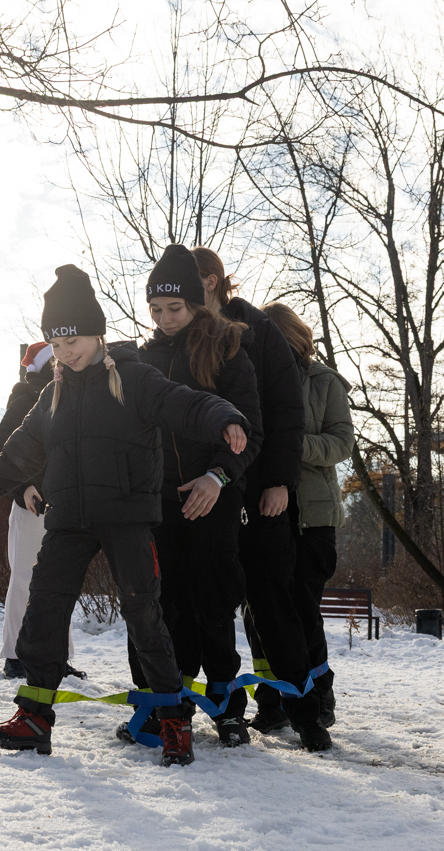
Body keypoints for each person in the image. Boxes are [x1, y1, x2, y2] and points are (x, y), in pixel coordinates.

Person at [0, 264, 249, 766]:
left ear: (97, 333)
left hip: (127, 518)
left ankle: (173, 721)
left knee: (144, 614)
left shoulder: (133, 378)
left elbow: (182, 404)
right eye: (56, 340)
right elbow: (19, 453)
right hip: (68, 519)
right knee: (44, 611)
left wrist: (224, 417)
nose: (66, 350)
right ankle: (33, 718)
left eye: (74, 338)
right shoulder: (52, 396)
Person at [190, 246, 330, 751]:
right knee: (211, 600)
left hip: (262, 491)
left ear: (210, 281)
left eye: (191, 281)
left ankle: (307, 712)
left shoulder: (255, 329)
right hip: (209, 494)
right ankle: (223, 710)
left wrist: (281, 483)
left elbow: (286, 411)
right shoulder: (182, 332)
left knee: (274, 600)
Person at [128, 244, 263, 748]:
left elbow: (252, 433)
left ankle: (228, 709)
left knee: (212, 603)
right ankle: (168, 705)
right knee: (166, 608)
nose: (165, 320)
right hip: (159, 502)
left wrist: (217, 477)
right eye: (156, 311)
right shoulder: (143, 360)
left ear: (198, 302)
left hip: (214, 499)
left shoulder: (230, 352)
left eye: (175, 309)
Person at [247, 303, 356, 729]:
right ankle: (271, 700)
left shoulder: (324, 382)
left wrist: (291, 445)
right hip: (261, 511)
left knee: (302, 610)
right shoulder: (251, 377)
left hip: (312, 516)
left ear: (292, 338)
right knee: (259, 612)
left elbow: (341, 443)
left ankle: (317, 695)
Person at [0, 342, 81, 682]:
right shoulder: (27, 398)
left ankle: (58, 655)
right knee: (26, 579)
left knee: (60, 583)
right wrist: (24, 486)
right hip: (32, 505)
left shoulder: (72, 398)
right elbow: (0, 449)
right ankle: (14, 654)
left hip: (65, 505)